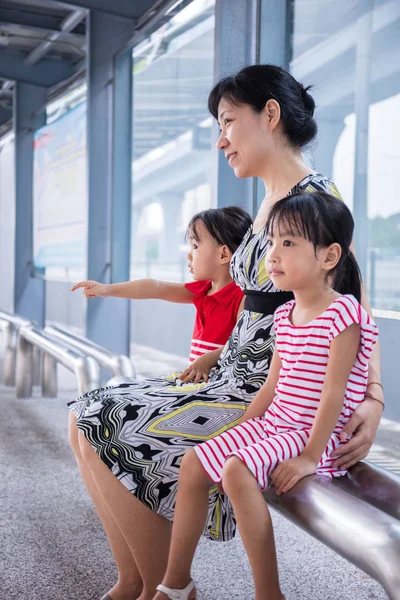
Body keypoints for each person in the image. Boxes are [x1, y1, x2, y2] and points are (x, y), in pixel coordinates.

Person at [68, 65, 384, 600]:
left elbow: (356, 303)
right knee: (83, 417)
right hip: (231, 375)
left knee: (105, 419)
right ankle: (137, 581)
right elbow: (254, 309)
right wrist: (214, 353)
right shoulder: (267, 202)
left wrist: (373, 396)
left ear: (270, 115)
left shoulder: (313, 201)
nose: (220, 141)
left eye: (228, 122)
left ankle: (166, 589)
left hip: (269, 394)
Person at [154, 192, 379, 600]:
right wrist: (241, 430)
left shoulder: (343, 313)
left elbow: (334, 392)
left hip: (316, 435)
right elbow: (272, 388)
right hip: (278, 423)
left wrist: (310, 456)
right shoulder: (283, 316)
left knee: (236, 470)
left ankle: (268, 593)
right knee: (194, 463)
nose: (272, 254)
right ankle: (176, 582)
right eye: (272, 242)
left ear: (329, 257)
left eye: (288, 243)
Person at [71, 206, 251, 386]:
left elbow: (245, 344)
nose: (188, 255)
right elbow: (155, 288)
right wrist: (106, 289)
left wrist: (209, 359)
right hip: (193, 387)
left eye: (195, 246)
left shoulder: (243, 297)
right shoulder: (203, 290)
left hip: (217, 393)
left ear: (224, 254)